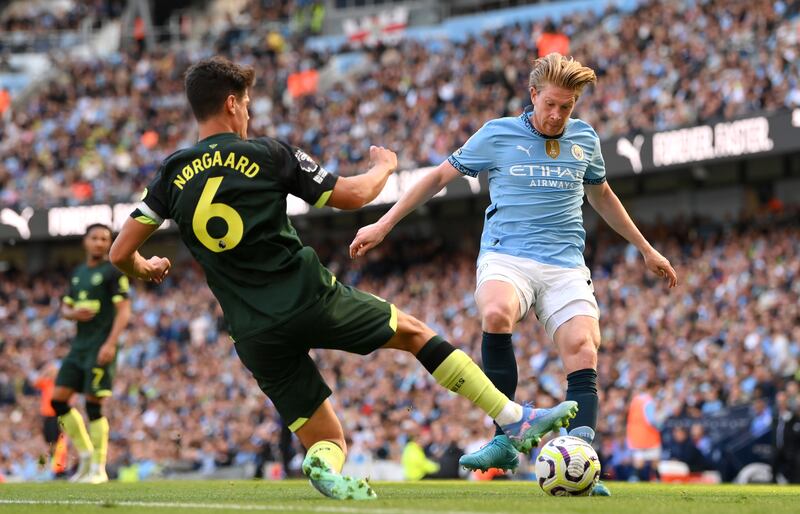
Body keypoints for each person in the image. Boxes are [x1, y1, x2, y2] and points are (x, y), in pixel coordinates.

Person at [109, 56, 579, 501]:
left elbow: (119, 252)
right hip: (308, 297)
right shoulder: (268, 154)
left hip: (252, 331)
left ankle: (323, 465)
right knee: (415, 334)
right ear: (232, 102)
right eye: (247, 105)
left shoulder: (170, 174)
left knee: (329, 438)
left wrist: (145, 268)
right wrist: (384, 167)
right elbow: (353, 196)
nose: (248, 115)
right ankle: (513, 418)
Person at [349, 52, 678, 496]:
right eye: (551, 104)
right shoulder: (497, 134)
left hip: (564, 264)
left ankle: (581, 461)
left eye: (568, 107)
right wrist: (384, 223)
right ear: (533, 95)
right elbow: (437, 179)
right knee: (497, 313)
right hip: (508, 257)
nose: (558, 115)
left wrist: (645, 248)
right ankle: (505, 439)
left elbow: (603, 196)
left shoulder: (585, 139)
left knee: (584, 348)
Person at [51, 223, 132, 483]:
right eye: (95, 238)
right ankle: (85, 456)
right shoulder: (78, 273)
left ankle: (99, 467)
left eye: (104, 239)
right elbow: (64, 308)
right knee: (58, 400)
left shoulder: (113, 272)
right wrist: (72, 314)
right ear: (85, 242)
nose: (99, 243)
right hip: (79, 347)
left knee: (93, 404)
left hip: (100, 346)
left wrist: (110, 344)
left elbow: (124, 312)